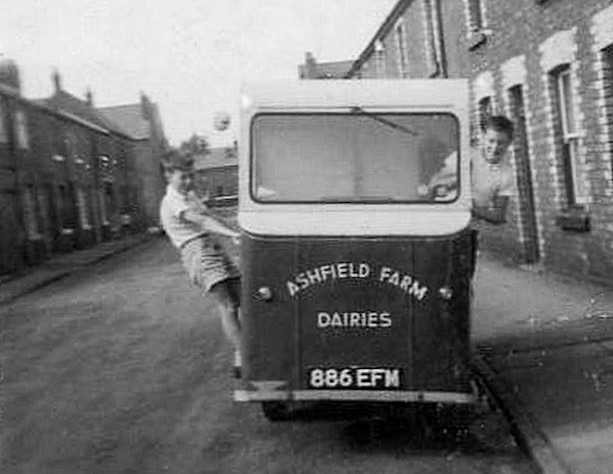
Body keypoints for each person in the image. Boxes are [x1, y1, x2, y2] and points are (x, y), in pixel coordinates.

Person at [159, 150, 242, 364]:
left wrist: (236, 230)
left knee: (245, 298)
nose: (188, 181)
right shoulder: (172, 201)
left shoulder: (190, 195)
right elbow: (201, 221)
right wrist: (232, 234)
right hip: (196, 252)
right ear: (168, 175)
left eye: (191, 175)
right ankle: (247, 355)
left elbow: (210, 216)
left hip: (211, 247)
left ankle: (250, 345)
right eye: (182, 177)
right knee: (228, 305)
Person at [427, 115, 514, 275]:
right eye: (491, 141)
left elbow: (498, 216)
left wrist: (468, 205)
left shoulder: (506, 173)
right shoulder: (465, 156)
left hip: (469, 232)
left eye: (501, 143)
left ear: (509, 144)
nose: (494, 147)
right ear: (483, 138)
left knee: (463, 281)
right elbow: (433, 185)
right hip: (442, 226)